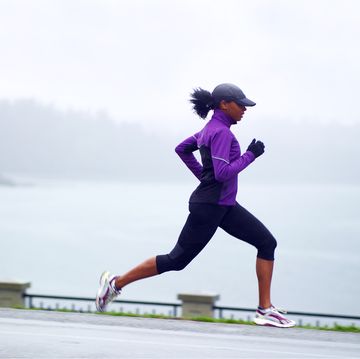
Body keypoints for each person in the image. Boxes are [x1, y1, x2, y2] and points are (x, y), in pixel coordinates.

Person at [95, 83, 295, 328]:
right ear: (224, 104)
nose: (244, 109)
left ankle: (265, 309)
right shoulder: (221, 132)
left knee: (266, 242)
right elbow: (222, 173)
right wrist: (250, 155)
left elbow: (182, 150)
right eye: (240, 104)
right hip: (210, 206)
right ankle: (115, 284)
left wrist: (204, 176)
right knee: (176, 260)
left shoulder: (209, 130)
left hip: (224, 205)